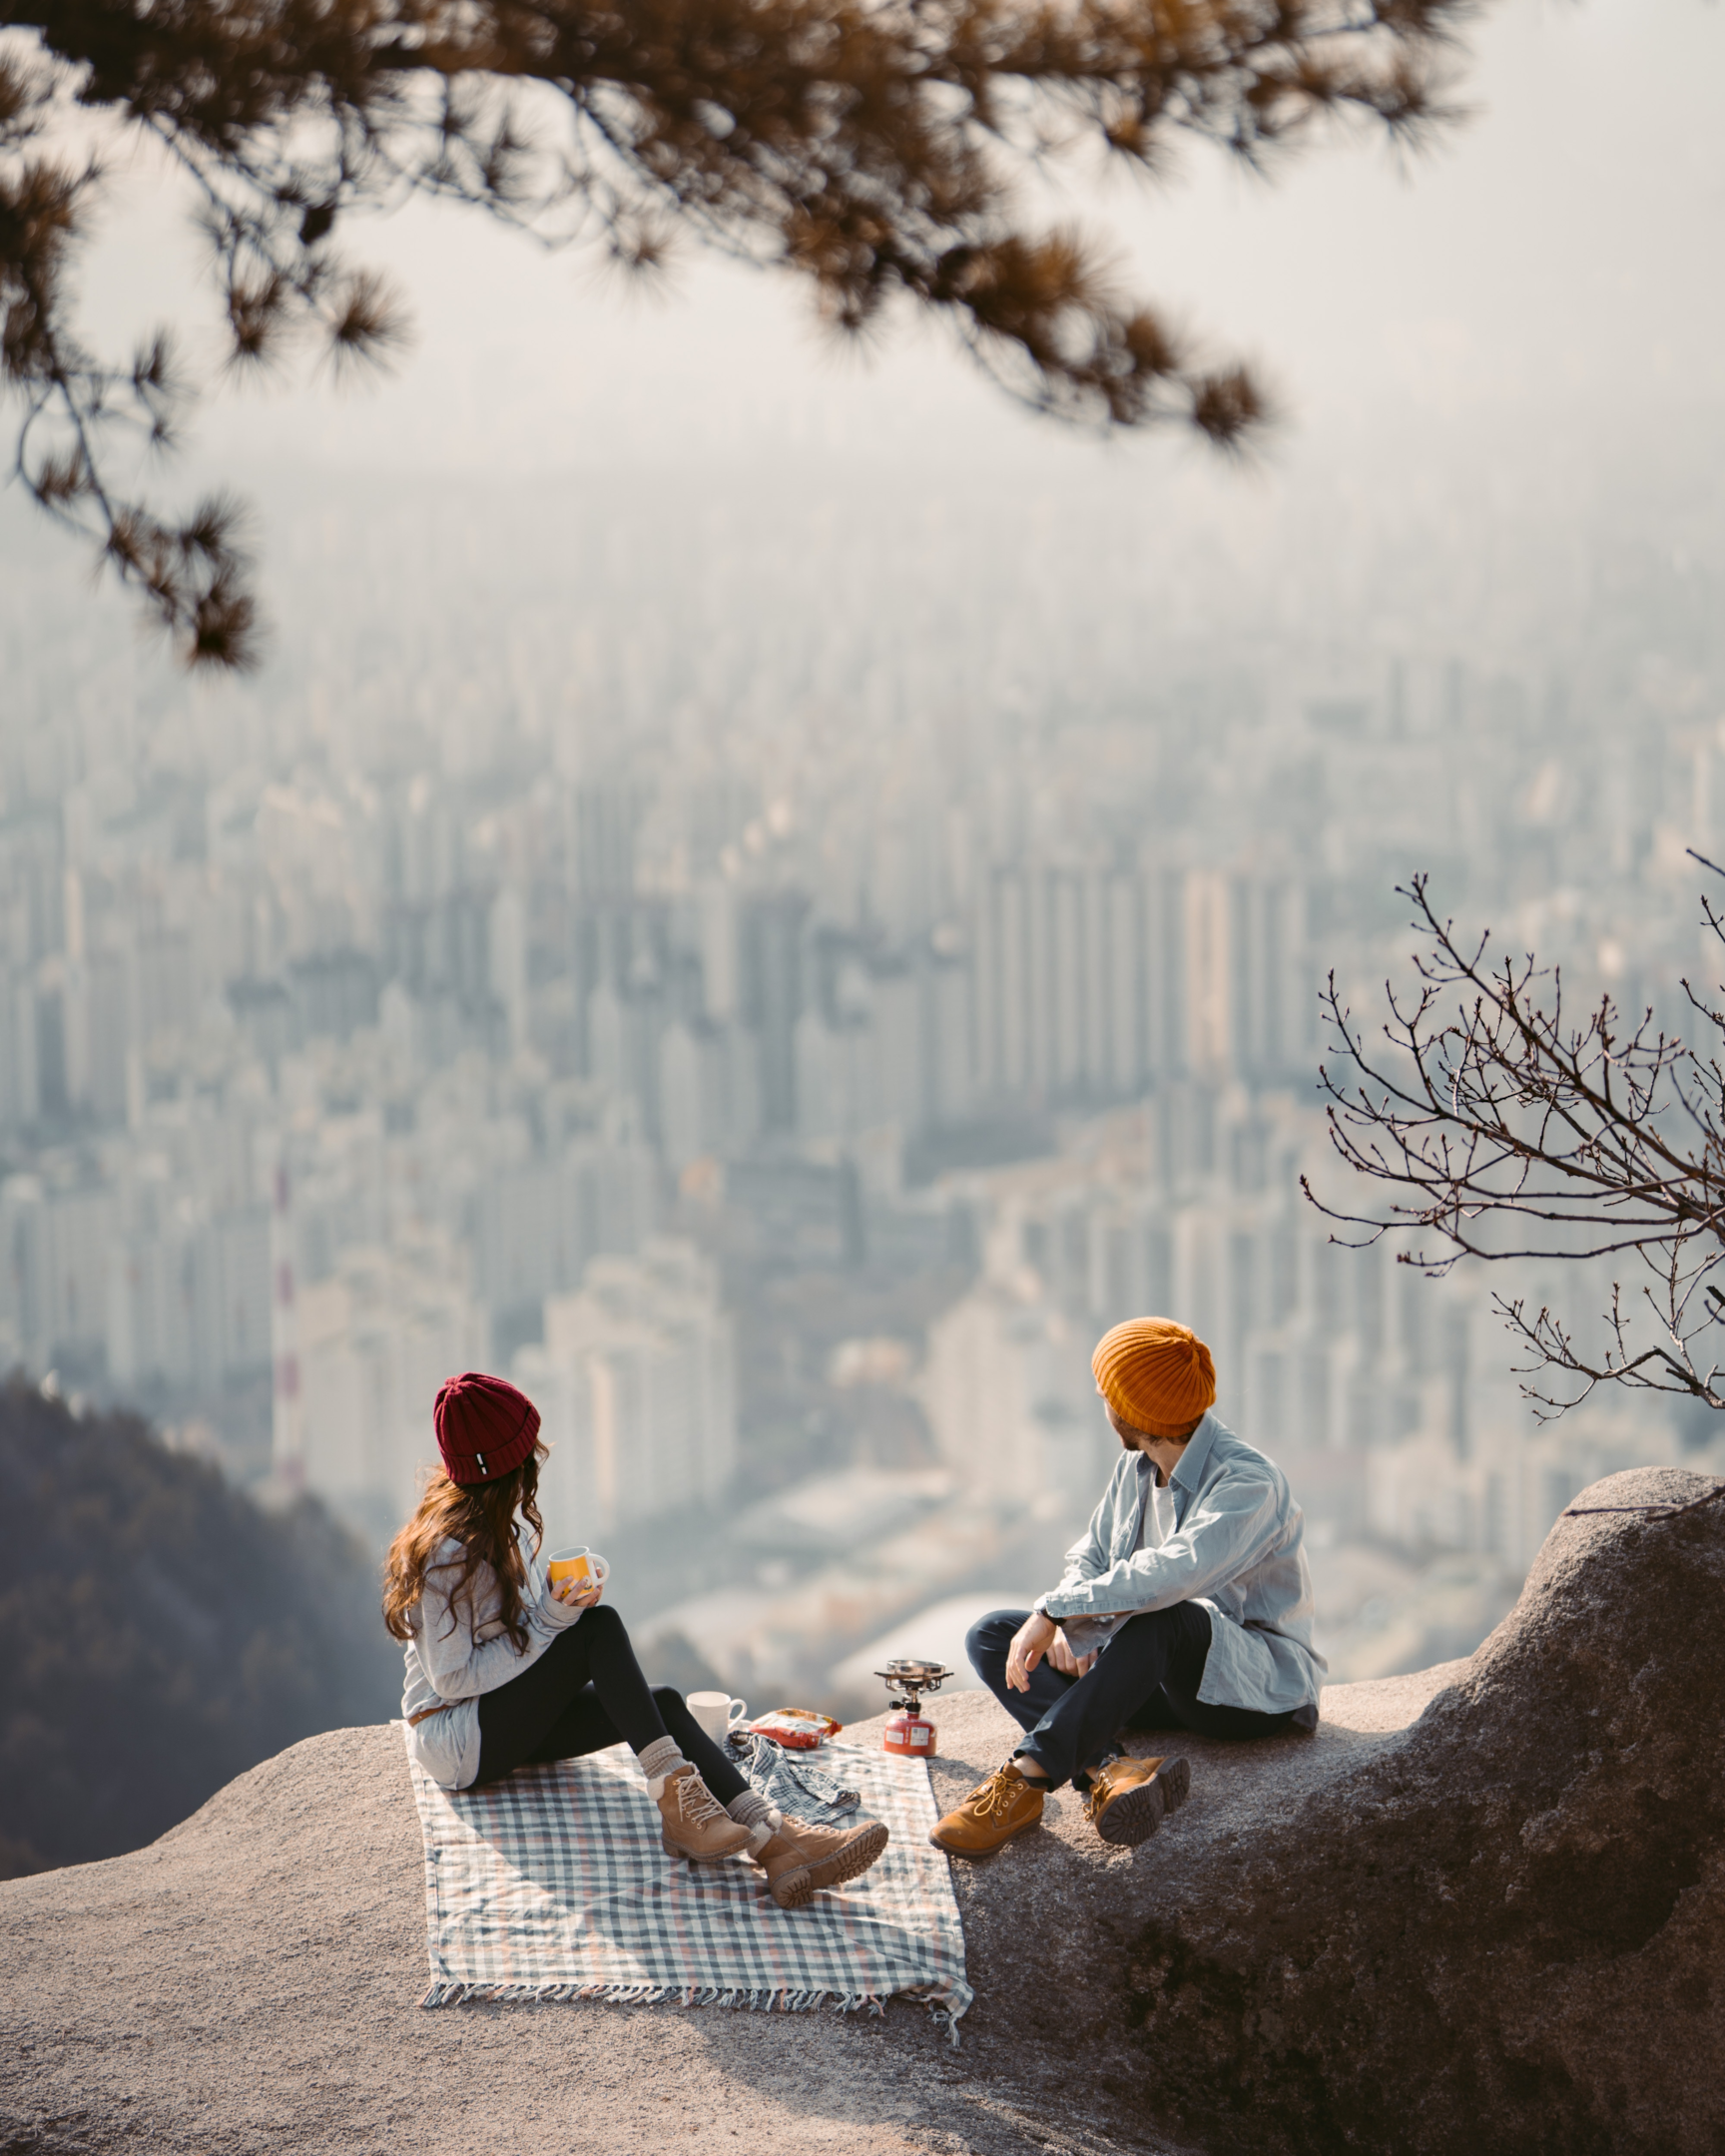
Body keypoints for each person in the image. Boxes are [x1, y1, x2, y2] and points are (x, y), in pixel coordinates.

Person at [384, 1369, 886, 1908]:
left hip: (493, 1720)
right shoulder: (447, 1552)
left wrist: (552, 1603)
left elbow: (504, 1636)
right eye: (528, 1449)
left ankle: (776, 1842)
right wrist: (555, 1619)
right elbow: (454, 1678)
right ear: (507, 1464)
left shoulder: (485, 1523)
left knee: (662, 1703)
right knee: (596, 1631)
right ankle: (681, 1809)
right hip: (457, 1738)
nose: (537, 1459)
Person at [931, 1317, 1324, 1858]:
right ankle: (1109, 1768)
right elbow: (1090, 1555)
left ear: (1133, 1411)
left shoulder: (1247, 1482)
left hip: (1253, 1692)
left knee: (1168, 1614)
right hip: (1155, 1677)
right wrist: (1067, 1625)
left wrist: (1064, 1612)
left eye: (1107, 1394)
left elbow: (1174, 1574)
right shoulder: (1135, 1467)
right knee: (994, 1633)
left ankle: (1026, 1780)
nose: (1102, 1404)